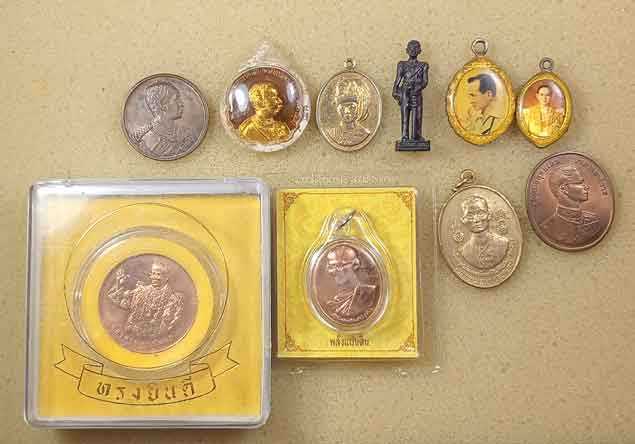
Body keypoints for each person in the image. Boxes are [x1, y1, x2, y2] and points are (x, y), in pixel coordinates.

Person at [107, 260, 184, 339]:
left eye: (158, 274)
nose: (154, 277)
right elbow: (119, 301)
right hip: (133, 335)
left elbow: (172, 324)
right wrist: (119, 284)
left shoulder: (175, 298)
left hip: (157, 338)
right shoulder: (141, 291)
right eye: (153, 273)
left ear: (166, 277)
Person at [131, 81, 195, 157]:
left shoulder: (184, 134)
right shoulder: (146, 139)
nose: (181, 104)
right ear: (163, 106)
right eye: (176, 99)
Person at [540, 164, 601, 244]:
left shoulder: (594, 221)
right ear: (564, 188)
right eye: (579, 183)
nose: (586, 187)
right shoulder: (547, 228)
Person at [459, 195, 509, 269]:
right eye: (470, 215)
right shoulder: (464, 251)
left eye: (480, 213)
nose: (476, 220)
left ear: (489, 215)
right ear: (463, 220)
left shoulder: (503, 243)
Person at [325, 245, 376, 318]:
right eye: (332, 266)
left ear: (355, 265)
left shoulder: (368, 294)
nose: (335, 271)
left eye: (341, 265)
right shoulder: (332, 303)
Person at [327, 78, 371, 146]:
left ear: (359, 107)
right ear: (337, 108)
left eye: (351, 107)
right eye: (342, 107)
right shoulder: (333, 133)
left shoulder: (364, 133)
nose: (347, 111)